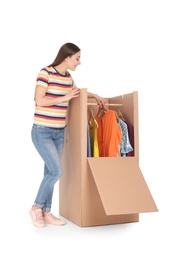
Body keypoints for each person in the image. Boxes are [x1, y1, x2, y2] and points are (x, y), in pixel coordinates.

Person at [29, 42, 106, 228]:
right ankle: (35, 208)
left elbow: (76, 94)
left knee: (49, 172)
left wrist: (94, 96)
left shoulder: (68, 78)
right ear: (67, 57)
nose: (79, 62)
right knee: (57, 171)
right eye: (77, 58)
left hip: (59, 131)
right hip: (42, 131)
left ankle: (46, 212)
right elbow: (39, 100)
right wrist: (63, 98)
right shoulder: (45, 72)